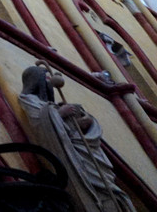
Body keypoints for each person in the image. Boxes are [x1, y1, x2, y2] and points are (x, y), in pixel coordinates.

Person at [19, 65, 135, 212]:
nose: (49, 83)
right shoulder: (29, 99)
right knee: (96, 186)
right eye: (46, 79)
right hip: (70, 153)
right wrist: (60, 113)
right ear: (36, 81)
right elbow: (41, 125)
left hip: (83, 149)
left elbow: (66, 126)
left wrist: (84, 120)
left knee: (108, 185)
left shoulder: (49, 105)